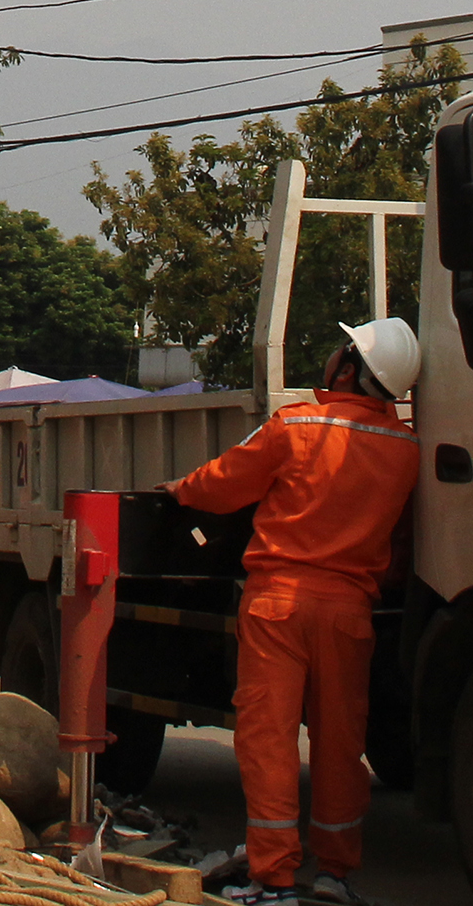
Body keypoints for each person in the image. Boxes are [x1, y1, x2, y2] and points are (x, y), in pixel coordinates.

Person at [169, 319, 421, 906]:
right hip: (349, 613)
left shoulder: (297, 425)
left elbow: (225, 484)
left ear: (351, 369)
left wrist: (182, 489)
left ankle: (273, 878)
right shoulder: (406, 450)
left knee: (269, 741)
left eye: (343, 350)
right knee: (340, 746)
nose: (332, 356)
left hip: (279, 601)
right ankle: (336, 873)